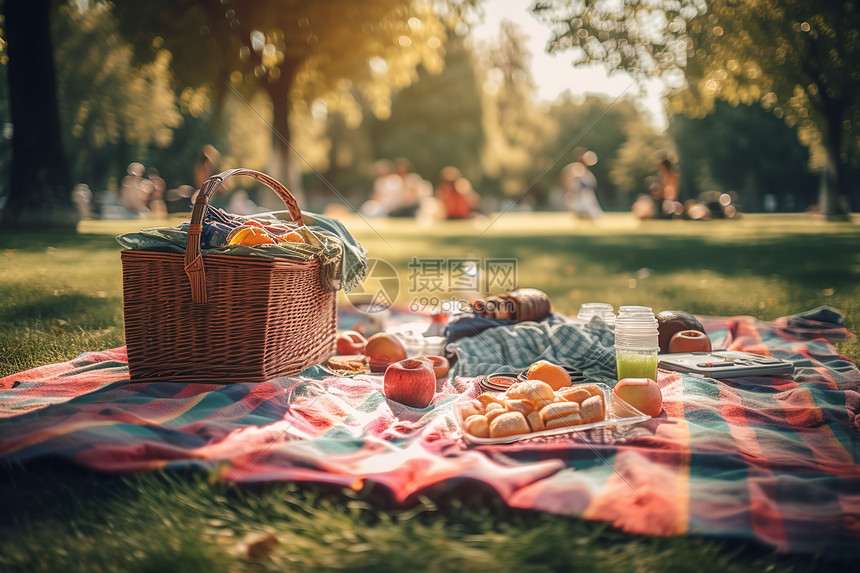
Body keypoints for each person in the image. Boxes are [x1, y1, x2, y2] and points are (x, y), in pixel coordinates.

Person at [559, 149, 603, 219]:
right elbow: (566, 181)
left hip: (583, 196)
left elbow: (592, 184)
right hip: (575, 197)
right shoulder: (573, 168)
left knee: (595, 214)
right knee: (584, 210)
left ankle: (584, 216)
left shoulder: (586, 172)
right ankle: (582, 215)